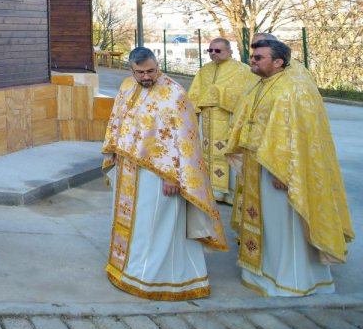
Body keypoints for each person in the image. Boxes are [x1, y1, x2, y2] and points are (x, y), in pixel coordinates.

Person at [225, 38, 353, 297]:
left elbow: (294, 136)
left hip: (279, 171)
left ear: (278, 62)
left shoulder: (292, 89)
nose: (252, 61)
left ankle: (290, 279)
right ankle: (264, 272)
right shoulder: (263, 84)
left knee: (284, 226)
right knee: (267, 223)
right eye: (252, 56)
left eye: (258, 57)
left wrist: (284, 172)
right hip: (257, 165)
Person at [103, 47, 226, 300]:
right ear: (132, 70)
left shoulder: (175, 93)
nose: (146, 77)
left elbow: (186, 140)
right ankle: (128, 270)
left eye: (151, 71)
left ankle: (155, 278)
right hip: (128, 169)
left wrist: (174, 176)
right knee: (136, 224)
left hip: (159, 175)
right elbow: (117, 120)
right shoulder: (127, 86)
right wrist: (113, 150)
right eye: (140, 72)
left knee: (155, 225)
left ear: (157, 66)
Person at [188, 37, 256, 203]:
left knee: (228, 152)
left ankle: (229, 194)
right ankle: (211, 190)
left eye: (218, 50)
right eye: (210, 50)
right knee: (206, 153)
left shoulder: (242, 70)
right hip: (207, 120)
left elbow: (247, 95)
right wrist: (193, 112)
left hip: (229, 118)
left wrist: (218, 94)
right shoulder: (204, 70)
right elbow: (195, 93)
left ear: (229, 51)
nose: (213, 53)